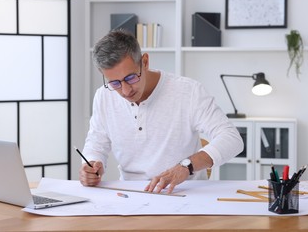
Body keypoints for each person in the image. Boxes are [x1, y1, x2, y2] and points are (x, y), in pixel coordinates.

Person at [79, 29, 243, 194]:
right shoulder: (103, 96)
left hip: (184, 193)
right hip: (131, 194)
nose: (126, 90)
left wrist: (186, 166)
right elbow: (96, 143)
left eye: (130, 78)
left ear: (145, 62)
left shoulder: (188, 91)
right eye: (115, 83)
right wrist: (92, 164)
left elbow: (232, 138)